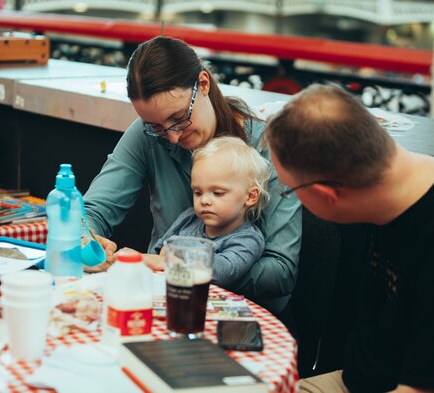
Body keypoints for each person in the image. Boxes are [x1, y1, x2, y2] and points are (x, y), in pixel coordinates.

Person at [265, 84, 434, 392]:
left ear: (328, 194)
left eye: (288, 189)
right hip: (354, 377)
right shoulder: (394, 183)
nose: (287, 197)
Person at [83, 36, 302, 315]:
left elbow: (280, 272)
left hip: (242, 313)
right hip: (163, 300)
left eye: (179, 119)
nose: (172, 137)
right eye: (157, 127)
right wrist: (85, 237)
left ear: (203, 84)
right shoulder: (148, 135)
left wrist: (179, 267)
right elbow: (94, 210)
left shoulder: (271, 146)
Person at [142, 136, 270, 290]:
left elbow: (224, 271)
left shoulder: (248, 239)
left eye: (217, 193)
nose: (204, 201)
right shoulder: (188, 218)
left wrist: (170, 259)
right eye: (197, 192)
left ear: (250, 196)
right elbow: (157, 251)